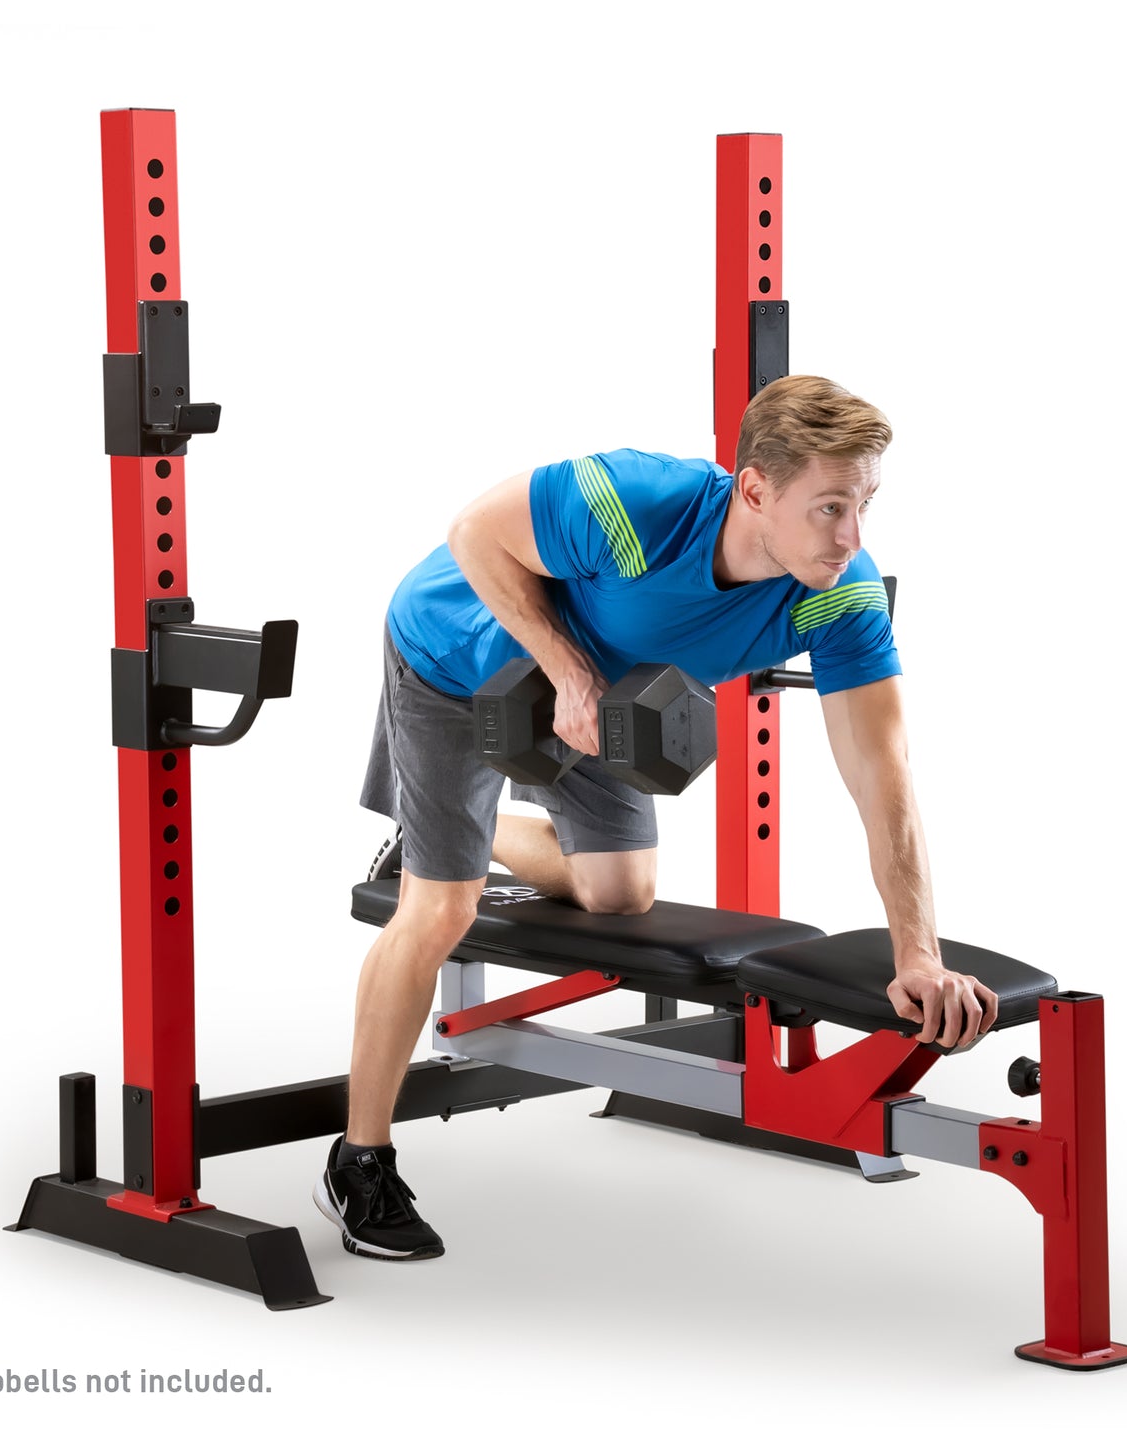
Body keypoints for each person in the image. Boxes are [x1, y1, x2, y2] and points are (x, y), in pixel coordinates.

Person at [313, 375, 1000, 1261]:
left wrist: (919, 953)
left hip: (610, 695)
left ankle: (435, 837)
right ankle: (358, 1157)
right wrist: (563, 668)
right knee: (441, 907)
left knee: (619, 893)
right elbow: (473, 533)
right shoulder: (636, 500)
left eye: (863, 504)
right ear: (755, 491)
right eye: (830, 506)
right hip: (459, 653)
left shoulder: (836, 591)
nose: (852, 535)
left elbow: (883, 775)